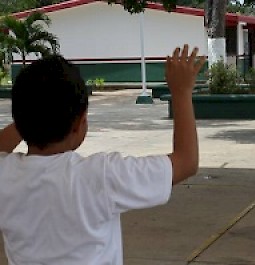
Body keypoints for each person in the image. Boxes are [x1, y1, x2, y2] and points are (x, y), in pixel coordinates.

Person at [0, 44, 205, 264]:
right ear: (80, 123)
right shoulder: (101, 175)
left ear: (20, 120)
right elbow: (187, 162)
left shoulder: (5, 174)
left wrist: (32, 115)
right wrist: (181, 93)